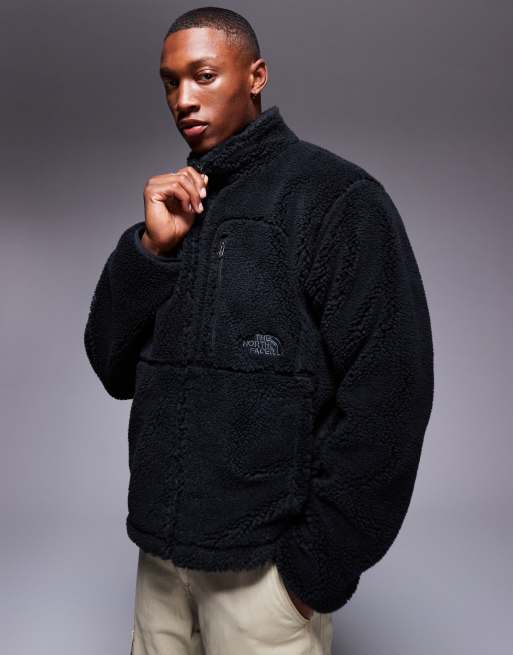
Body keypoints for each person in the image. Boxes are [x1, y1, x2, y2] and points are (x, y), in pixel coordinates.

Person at [83, 6, 434, 655]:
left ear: (256, 75)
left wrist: (312, 572)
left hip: (262, 580)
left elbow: (391, 397)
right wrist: (151, 252)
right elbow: (111, 365)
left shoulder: (334, 198)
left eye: (203, 75)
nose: (183, 99)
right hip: (160, 569)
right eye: (169, 82)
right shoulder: (176, 209)